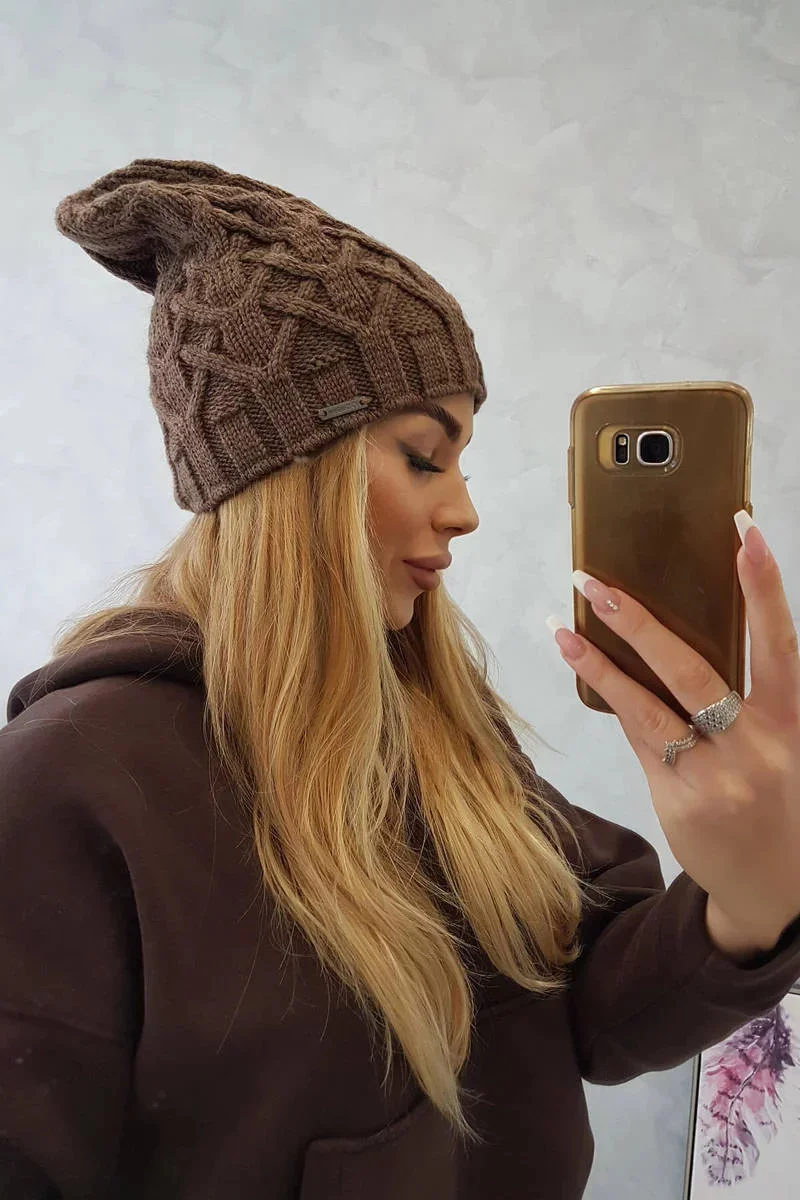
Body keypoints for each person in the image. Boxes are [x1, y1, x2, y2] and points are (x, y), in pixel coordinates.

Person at [1, 158, 799, 1200]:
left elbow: (583, 1010)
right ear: (287, 474)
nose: (464, 510)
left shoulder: (436, 727)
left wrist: (750, 899)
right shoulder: (66, 790)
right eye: (424, 456)